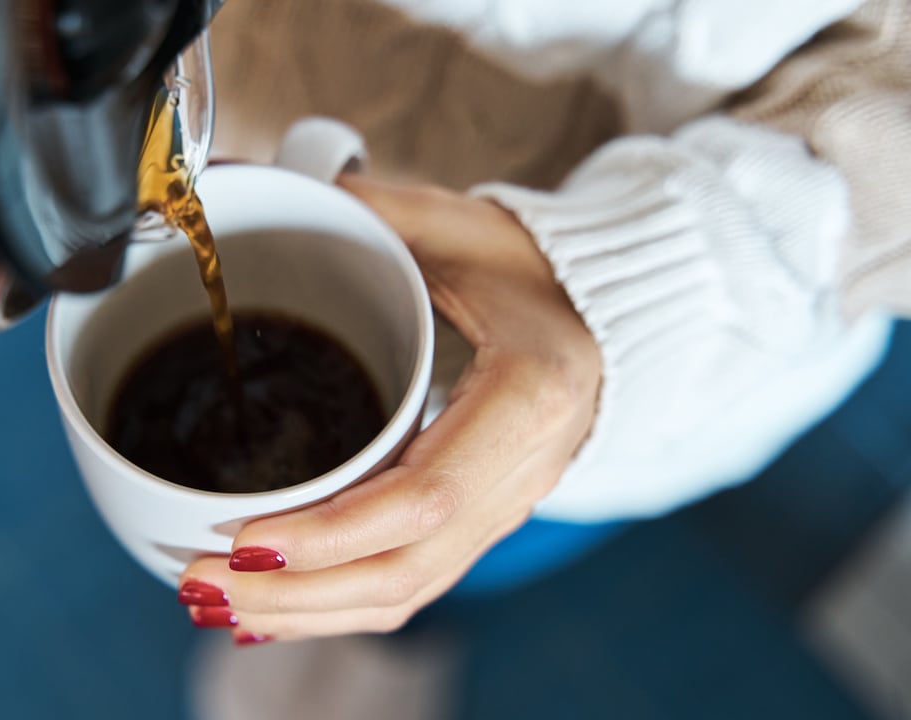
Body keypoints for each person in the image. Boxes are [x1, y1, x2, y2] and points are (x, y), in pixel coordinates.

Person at [171, 0, 911, 654]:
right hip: (222, 101)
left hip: (667, 349)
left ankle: (393, 642)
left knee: (470, 538)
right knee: (391, 550)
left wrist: (638, 284)